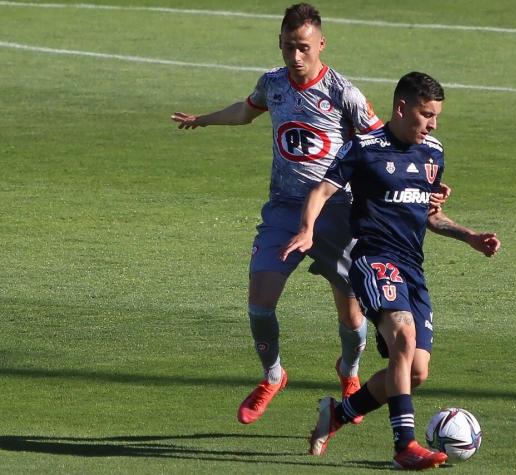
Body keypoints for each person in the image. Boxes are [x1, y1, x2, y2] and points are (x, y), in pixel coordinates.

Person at [171, 4, 449, 425]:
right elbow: (247, 110)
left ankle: (349, 373)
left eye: (303, 48)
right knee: (260, 302)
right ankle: (273, 376)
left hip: (338, 212)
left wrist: (421, 185)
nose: (295, 57)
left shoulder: (344, 94)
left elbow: (383, 144)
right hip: (285, 210)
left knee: (352, 314)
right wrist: (204, 120)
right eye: (287, 48)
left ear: (321, 44)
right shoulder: (273, 84)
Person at [281, 71, 500, 470]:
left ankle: (338, 414)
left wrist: (468, 235)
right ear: (402, 108)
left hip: (412, 269)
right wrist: (307, 229)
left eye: (436, 116)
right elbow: (321, 190)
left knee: (415, 371)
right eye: (426, 114)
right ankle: (405, 446)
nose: (432, 123)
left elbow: (429, 214)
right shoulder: (363, 148)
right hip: (374, 260)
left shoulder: (432, 152)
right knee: (402, 334)